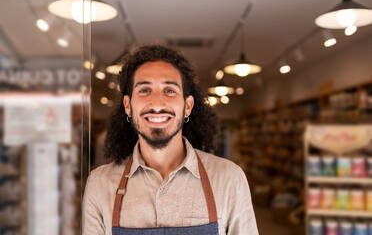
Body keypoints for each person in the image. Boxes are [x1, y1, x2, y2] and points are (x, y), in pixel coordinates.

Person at [82, 45, 259, 235]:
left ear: (188, 106)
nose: (157, 104)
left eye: (169, 90)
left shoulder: (229, 179)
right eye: (144, 90)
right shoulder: (100, 185)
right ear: (128, 106)